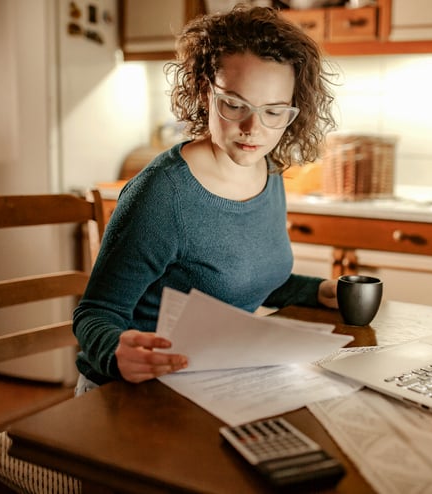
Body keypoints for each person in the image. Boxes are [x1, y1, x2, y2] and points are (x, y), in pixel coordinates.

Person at [72, 5, 339, 392]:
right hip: (131, 391)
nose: (254, 129)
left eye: (274, 111)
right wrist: (116, 351)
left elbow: (238, 281)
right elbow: (95, 313)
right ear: (204, 91)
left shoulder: (269, 170)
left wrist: (316, 291)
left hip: (210, 381)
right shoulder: (163, 194)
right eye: (234, 105)